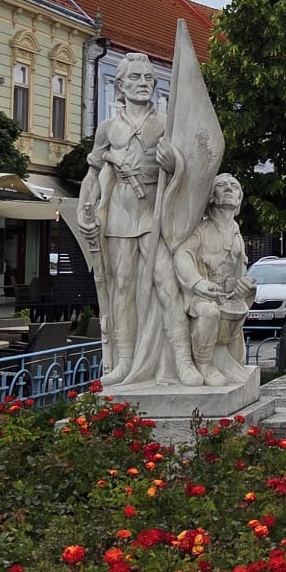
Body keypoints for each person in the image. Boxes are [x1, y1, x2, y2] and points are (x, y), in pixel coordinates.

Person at [77, 53, 166, 384]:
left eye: (148, 78)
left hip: (155, 212)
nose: (143, 83)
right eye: (135, 77)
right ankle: (124, 361)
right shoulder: (108, 129)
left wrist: (173, 161)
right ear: (120, 85)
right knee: (122, 285)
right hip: (118, 213)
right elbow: (92, 174)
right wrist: (85, 208)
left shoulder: (166, 124)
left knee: (161, 282)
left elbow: (185, 168)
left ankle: (164, 358)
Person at [172, 173, 255, 385]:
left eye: (234, 186)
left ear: (239, 200)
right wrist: (198, 283)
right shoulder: (201, 230)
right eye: (222, 185)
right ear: (211, 196)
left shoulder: (236, 234)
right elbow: (182, 255)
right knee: (210, 313)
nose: (228, 188)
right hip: (202, 296)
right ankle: (205, 365)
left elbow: (241, 275)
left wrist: (246, 288)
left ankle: (226, 361)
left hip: (228, 299)